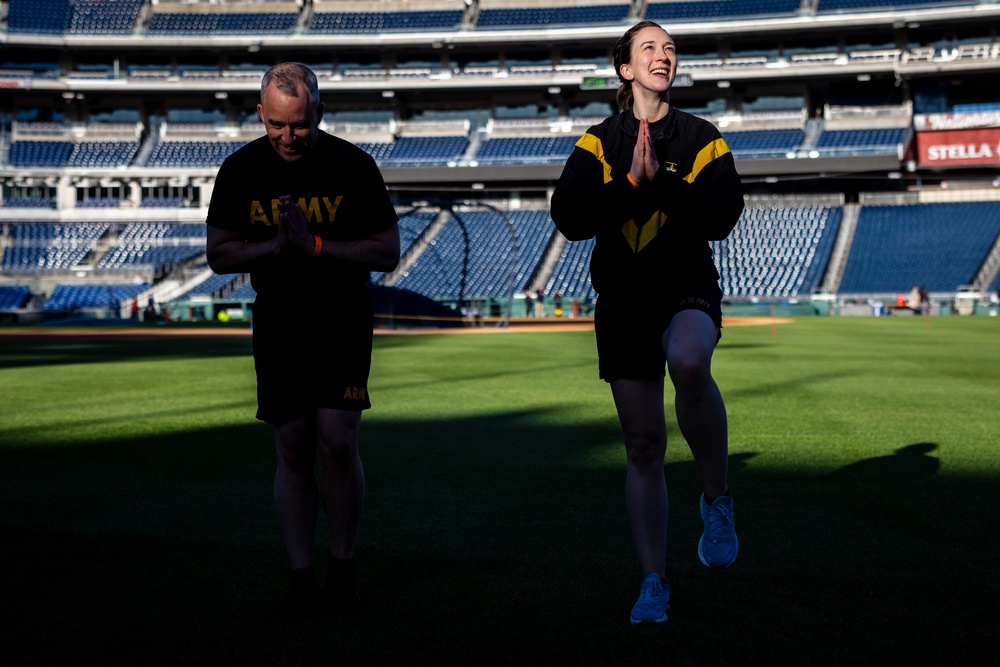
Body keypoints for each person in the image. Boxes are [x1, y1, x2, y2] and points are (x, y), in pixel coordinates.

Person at [550, 21, 744, 625]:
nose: (663, 55)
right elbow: (569, 217)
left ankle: (716, 498)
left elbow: (722, 217)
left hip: (686, 289)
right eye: (649, 49)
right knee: (643, 446)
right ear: (626, 69)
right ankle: (653, 581)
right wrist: (631, 183)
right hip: (623, 303)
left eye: (669, 48)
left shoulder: (703, 137)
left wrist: (663, 182)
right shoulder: (595, 142)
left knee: (690, 360)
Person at [205, 62, 400, 619]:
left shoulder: (353, 166)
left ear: (320, 113)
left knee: (338, 444)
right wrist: (274, 248)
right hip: (280, 320)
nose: (288, 138)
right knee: (291, 446)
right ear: (260, 113)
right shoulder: (240, 169)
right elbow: (220, 254)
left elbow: (387, 252)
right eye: (278, 127)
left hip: (340, 317)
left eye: (301, 126)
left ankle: (342, 569)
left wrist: (314, 246)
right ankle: (300, 574)